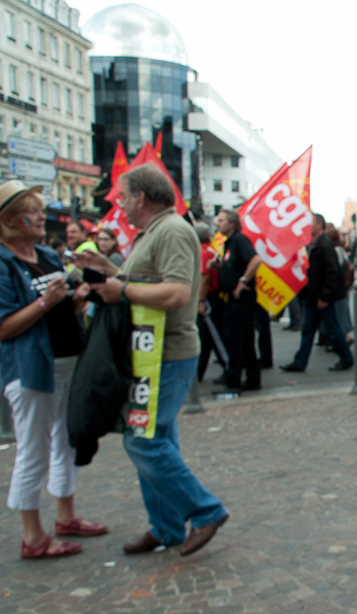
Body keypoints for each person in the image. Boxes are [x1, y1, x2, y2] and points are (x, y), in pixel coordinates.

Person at [78, 164, 230, 556]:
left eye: (124, 197)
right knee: (155, 438)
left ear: (141, 197)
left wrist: (120, 289)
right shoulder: (155, 232)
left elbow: (178, 293)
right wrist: (110, 272)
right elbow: (146, 281)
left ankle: (205, 510)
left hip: (166, 352)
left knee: (142, 441)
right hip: (150, 352)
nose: (121, 205)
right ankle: (165, 528)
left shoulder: (173, 230)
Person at [0, 180, 107, 559]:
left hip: (67, 361)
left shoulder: (46, 254)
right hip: (31, 369)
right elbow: (5, 327)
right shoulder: (3, 262)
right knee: (33, 449)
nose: (41, 216)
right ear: (10, 219)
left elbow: (66, 308)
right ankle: (33, 536)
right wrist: (46, 303)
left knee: (66, 440)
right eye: (33, 210)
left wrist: (76, 299)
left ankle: (66, 516)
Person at [280, 214, 354, 373]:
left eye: (311, 222)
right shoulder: (316, 244)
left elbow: (332, 273)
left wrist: (324, 297)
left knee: (333, 329)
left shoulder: (324, 245)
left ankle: (346, 358)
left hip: (321, 298)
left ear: (319, 225)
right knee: (309, 330)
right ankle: (300, 362)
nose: (307, 225)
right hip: (314, 296)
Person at [213, 209, 261, 392]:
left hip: (241, 297)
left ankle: (233, 381)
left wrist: (242, 282)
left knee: (235, 339)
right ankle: (252, 378)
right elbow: (234, 266)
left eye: (221, 220)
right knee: (246, 338)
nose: (218, 223)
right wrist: (218, 268)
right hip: (235, 297)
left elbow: (255, 261)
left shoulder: (240, 240)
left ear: (232, 223)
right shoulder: (229, 243)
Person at [195, 223, 225, 383]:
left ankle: (228, 366)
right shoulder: (210, 250)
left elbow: (204, 278)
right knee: (208, 337)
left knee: (212, 336)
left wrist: (200, 301)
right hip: (212, 298)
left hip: (209, 299)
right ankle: (197, 372)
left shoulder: (203, 253)